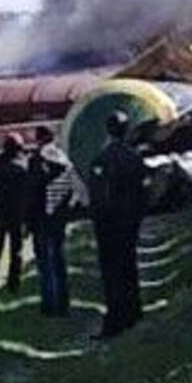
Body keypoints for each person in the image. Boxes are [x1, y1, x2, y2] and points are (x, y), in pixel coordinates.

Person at [89, 109, 148, 340]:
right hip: (129, 221)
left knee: (112, 272)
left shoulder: (102, 159)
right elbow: (143, 191)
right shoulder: (135, 158)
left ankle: (115, 320)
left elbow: (98, 195)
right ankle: (134, 312)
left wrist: (98, 219)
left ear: (108, 130)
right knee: (129, 266)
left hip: (109, 223)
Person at [26, 129, 87, 316]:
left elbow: (32, 194)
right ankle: (63, 303)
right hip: (59, 218)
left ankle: (50, 306)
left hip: (41, 219)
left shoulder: (37, 160)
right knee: (59, 261)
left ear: (39, 141)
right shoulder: (64, 160)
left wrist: (27, 222)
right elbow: (79, 193)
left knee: (45, 264)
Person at [0, 134, 29, 300]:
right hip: (16, 215)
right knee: (16, 250)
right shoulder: (23, 169)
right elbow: (27, 194)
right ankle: (13, 284)